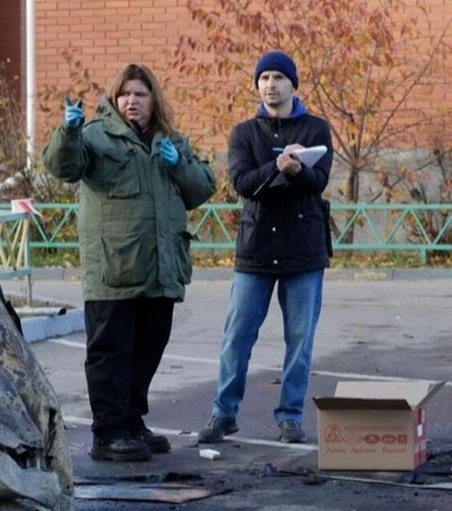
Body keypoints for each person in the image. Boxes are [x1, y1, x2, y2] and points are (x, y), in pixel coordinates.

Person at [43, 64, 216, 462]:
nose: (131, 102)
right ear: (114, 100)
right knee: (111, 353)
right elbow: (62, 167)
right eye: (124, 95)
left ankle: (132, 422)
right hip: (114, 269)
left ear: (153, 99)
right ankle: (108, 433)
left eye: (139, 94)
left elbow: (202, 188)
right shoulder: (95, 136)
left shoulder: (170, 141)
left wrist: (178, 165)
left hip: (160, 268)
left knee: (148, 349)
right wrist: (68, 132)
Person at [197, 51, 334, 445]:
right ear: (257, 85)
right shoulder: (244, 133)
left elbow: (318, 180)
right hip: (255, 249)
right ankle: (223, 413)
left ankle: (290, 416)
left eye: (278, 77)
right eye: (264, 78)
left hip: (303, 250)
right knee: (237, 336)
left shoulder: (315, 128)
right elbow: (242, 183)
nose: (270, 84)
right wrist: (278, 169)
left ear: (294, 84)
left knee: (300, 340)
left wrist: (300, 171)